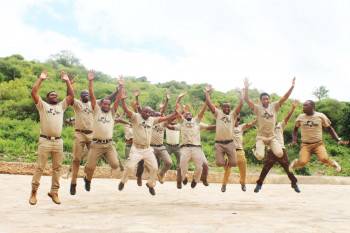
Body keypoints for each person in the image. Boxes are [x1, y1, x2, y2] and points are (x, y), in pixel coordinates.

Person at [118, 81, 180, 195]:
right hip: (136, 149)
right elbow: (127, 110)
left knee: (155, 168)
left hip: (147, 149)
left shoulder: (152, 120)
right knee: (130, 167)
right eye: (146, 111)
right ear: (142, 111)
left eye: (149, 112)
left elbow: (164, 118)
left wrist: (176, 113)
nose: (147, 113)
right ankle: (123, 181)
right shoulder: (136, 117)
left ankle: (150, 184)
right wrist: (122, 100)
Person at [29, 71, 74, 205]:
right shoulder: (43, 106)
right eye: (51, 95)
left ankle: (54, 192)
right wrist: (41, 79)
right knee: (40, 168)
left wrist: (67, 81)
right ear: (47, 97)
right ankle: (33, 192)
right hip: (45, 141)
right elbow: (33, 93)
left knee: (57, 168)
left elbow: (71, 96)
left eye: (55, 95)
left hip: (58, 142)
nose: (54, 96)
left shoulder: (61, 106)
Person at [82, 72, 123, 192]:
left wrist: (120, 87)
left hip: (109, 145)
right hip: (96, 144)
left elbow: (118, 99)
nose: (106, 105)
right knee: (89, 167)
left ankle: (100, 159)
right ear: (101, 105)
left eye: (108, 104)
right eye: (104, 103)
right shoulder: (96, 111)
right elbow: (92, 96)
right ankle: (87, 179)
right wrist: (90, 81)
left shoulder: (112, 112)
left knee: (115, 165)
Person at [244, 78, 295, 160]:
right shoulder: (257, 108)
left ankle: (269, 148)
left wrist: (292, 87)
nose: (266, 100)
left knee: (280, 154)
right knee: (260, 156)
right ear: (261, 101)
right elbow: (246, 99)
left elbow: (284, 97)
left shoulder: (274, 106)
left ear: (269, 100)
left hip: (272, 137)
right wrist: (246, 87)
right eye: (264, 99)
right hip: (261, 137)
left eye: (267, 99)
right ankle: (255, 149)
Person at [254, 101, 300, 193]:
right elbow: (259, 117)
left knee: (288, 168)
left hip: (281, 149)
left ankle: (294, 183)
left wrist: (293, 108)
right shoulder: (265, 126)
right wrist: (258, 106)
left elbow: (287, 118)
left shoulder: (280, 125)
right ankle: (259, 184)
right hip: (271, 150)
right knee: (266, 168)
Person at [205, 86, 244, 192]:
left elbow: (240, 105)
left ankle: (228, 161)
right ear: (222, 108)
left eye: (228, 107)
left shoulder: (233, 115)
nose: (227, 109)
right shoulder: (218, 113)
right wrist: (207, 93)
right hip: (219, 144)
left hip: (230, 143)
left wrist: (241, 94)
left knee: (235, 163)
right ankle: (224, 161)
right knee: (219, 163)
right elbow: (209, 104)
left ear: (230, 109)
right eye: (225, 107)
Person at [289, 100, 342, 172]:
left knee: (324, 158)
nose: (303, 107)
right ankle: (295, 163)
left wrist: (337, 139)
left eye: (305, 105)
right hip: (305, 145)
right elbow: (295, 130)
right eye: (303, 105)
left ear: (312, 107)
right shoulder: (300, 117)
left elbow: (330, 128)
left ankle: (334, 164)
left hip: (318, 144)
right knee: (302, 162)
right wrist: (294, 140)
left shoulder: (320, 116)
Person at [171, 103, 214, 189]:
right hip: (185, 148)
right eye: (186, 114)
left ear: (193, 116)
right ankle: (184, 178)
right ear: (183, 116)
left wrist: (206, 101)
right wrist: (178, 102)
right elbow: (177, 113)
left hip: (196, 148)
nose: (188, 114)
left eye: (190, 113)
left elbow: (202, 112)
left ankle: (196, 179)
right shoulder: (182, 122)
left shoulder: (196, 121)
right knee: (182, 165)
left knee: (200, 167)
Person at [223, 116, 256, 192]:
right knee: (227, 169)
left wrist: (257, 118)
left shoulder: (241, 127)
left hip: (240, 151)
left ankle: (243, 183)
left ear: (238, 121)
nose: (236, 121)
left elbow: (250, 124)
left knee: (243, 168)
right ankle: (224, 184)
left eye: (237, 120)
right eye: (234, 120)